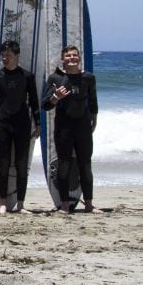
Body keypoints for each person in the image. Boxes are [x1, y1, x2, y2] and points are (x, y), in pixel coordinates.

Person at [0, 41, 41, 214]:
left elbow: (34, 102)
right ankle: (3, 205)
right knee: (4, 165)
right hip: (3, 124)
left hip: (22, 124)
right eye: (3, 55)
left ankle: (21, 204)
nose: (5, 58)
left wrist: (38, 124)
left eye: (8, 55)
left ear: (17, 55)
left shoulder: (27, 76)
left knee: (22, 166)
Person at [42, 45, 99, 214]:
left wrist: (94, 120)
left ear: (79, 58)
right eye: (68, 56)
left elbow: (93, 102)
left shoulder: (88, 78)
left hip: (83, 127)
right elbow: (45, 104)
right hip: (64, 128)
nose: (72, 58)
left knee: (85, 165)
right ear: (63, 59)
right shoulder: (55, 78)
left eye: (75, 55)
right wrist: (55, 97)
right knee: (64, 165)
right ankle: (65, 204)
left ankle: (88, 204)